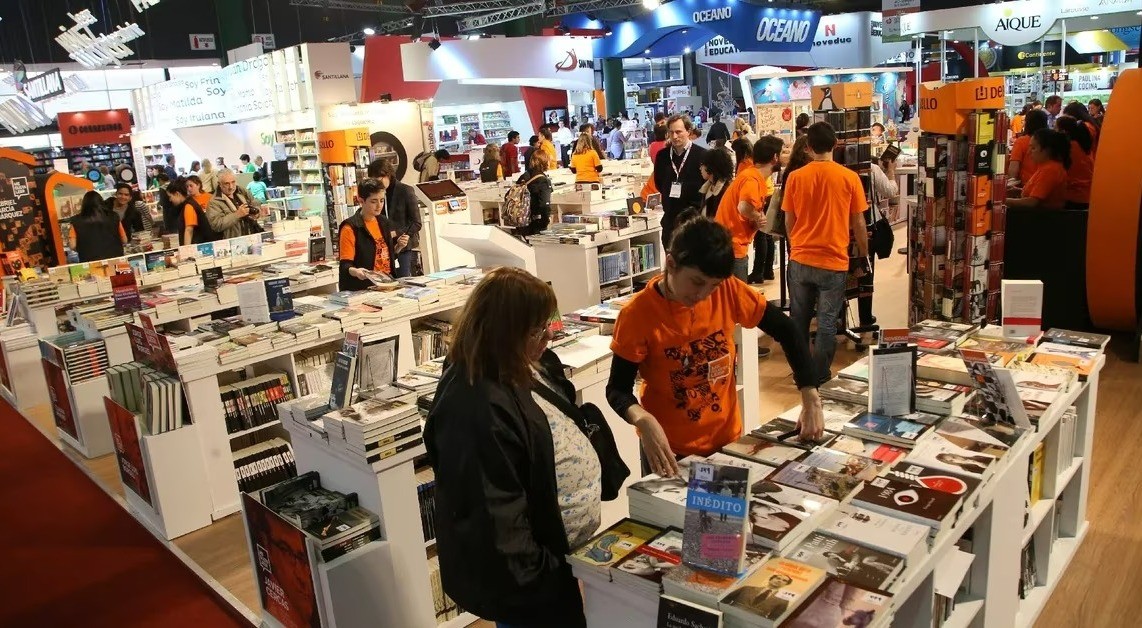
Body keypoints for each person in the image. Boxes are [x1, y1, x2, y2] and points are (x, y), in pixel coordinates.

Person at [426, 267, 598, 628]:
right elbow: (497, 518)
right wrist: (549, 581)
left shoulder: (516, 363)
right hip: (535, 586)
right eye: (537, 330)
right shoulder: (477, 406)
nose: (548, 337)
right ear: (505, 333)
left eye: (547, 324)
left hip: (557, 565)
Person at [605, 212, 822, 477]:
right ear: (671, 264)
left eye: (713, 285)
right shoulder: (637, 315)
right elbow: (617, 389)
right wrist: (642, 419)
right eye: (696, 282)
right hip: (669, 453)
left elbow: (786, 329)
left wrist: (810, 395)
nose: (702, 295)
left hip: (727, 442)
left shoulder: (727, 289)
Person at [782, 122, 870, 385]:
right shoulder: (849, 177)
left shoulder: (795, 178)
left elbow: (789, 221)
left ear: (808, 148)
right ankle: (819, 375)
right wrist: (863, 255)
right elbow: (859, 223)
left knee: (798, 321)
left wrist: (795, 245)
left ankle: (801, 371)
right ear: (836, 145)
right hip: (833, 260)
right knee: (827, 323)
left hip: (800, 259)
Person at [716, 137, 782, 282]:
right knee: (737, 298)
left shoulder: (751, 175)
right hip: (732, 246)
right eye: (784, 152)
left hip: (730, 243)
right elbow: (743, 207)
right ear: (775, 157)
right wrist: (758, 217)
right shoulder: (752, 178)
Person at [337, 178, 406, 290]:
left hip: (387, 283)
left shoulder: (383, 221)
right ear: (361, 200)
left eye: (382, 200)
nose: (379, 206)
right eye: (373, 201)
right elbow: (345, 265)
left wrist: (398, 247)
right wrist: (357, 272)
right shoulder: (350, 227)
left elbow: (386, 256)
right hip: (363, 287)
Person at [652, 114, 708, 249]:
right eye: (671, 132)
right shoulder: (663, 156)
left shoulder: (702, 155)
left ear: (688, 131)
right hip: (670, 220)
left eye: (678, 132)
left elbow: (706, 185)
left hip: (693, 220)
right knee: (672, 264)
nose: (675, 136)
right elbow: (659, 182)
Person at [861, 148, 900, 332]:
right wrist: (890, 170)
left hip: (839, 228)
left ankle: (837, 316)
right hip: (867, 225)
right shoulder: (871, 168)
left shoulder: (835, 166)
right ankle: (865, 318)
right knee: (866, 271)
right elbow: (891, 191)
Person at [367, 159, 421, 278]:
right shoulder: (375, 193)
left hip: (403, 247)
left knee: (402, 281)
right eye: (374, 180)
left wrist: (394, 233)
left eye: (380, 179)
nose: (378, 184)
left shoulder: (405, 191)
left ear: (388, 175)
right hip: (381, 248)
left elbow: (416, 223)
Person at [1006, 129, 1069, 210]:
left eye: (1033, 148)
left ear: (1047, 150)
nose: (1029, 152)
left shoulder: (1050, 170)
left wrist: (1004, 201)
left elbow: (1032, 202)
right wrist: (1019, 191)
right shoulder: (1045, 166)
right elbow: (1039, 194)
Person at [69, 191, 125, 262]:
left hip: (90, 261)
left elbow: (72, 245)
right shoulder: (113, 216)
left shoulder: (76, 220)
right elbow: (124, 240)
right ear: (101, 202)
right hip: (115, 258)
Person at [206, 170, 263, 239]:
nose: (231, 187)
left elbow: (254, 201)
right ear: (219, 184)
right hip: (233, 241)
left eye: (233, 182)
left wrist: (257, 211)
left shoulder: (241, 191)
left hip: (252, 235)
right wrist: (237, 215)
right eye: (226, 184)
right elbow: (216, 225)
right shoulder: (214, 202)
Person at [1054, 117, 1094, 209]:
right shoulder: (1083, 146)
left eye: (1055, 128)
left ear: (1063, 131)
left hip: (1072, 196)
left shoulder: (1067, 148)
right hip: (1087, 196)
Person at [171, 177, 219, 245]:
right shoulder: (189, 202)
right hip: (198, 232)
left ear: (198, 185)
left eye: (191, 186)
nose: (189, 189)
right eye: (187, 186)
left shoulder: (210, 197)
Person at [1008, 109, 1049, 185]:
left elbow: (1014, 168)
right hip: (1047, 183)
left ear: (1028, 123)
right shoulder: (1051, 141)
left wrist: (1011, 182)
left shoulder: (1021, 141)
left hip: (1026, 184)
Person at [519, 151, 554, 236]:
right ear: (545, 162)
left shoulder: (524, 176)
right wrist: (545, 222)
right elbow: (544, 205)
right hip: (536, 222)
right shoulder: (544, 181)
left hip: (522, 219)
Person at [698, 148, 734, 220]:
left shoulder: (727, 190)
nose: (700, 168)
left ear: (712, 166)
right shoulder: (708, 186)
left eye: (703, 165)